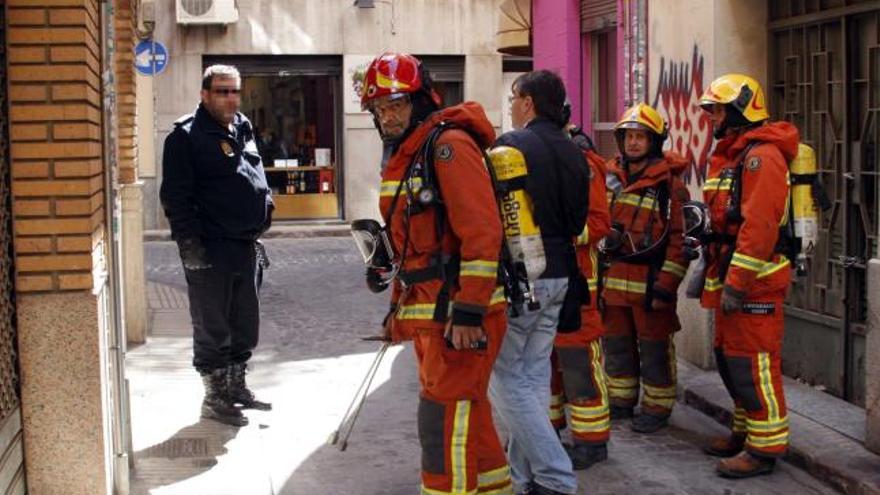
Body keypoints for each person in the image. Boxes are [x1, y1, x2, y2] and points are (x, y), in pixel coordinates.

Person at [362, 52, 513, 495]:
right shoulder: (409, 154)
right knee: (467, 412)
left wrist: (468, 312)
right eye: (379, 108)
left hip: (459, 315)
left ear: (422, 100)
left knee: (444, 420)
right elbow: (408, 249)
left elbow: (482, 234)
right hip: (431, 313)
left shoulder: (448, 146)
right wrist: (395, 310)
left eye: (396, 105)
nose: (387, 117)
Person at [488, 71, 589, 495]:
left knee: (504, 379)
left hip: (522, 275)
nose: (512, 105)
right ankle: (524, 478)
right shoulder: (575, 150)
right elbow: (580, 220)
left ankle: (556, 477)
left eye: (514, 97)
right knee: (529, 379)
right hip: (562, 272)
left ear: (527, 102)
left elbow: (493, 216)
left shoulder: (512, 146)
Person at [160, 64, 274, 427]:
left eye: (234, 91)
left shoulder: (242, 126)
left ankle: (237, 386)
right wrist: (189, 247)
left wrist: (265, 205)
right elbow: (176, 197)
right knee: (212, 325)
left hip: (244, 244)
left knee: (245, 322)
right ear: (204, 94)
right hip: (210, 248)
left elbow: (254, 176)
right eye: (222, 91)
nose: (230, 98)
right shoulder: (185, 136)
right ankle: (214, 396)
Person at [698, 73, 798, 478]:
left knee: (754, 363)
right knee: (730, 358)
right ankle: (744, 429)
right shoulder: (735, 155)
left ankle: (765, 447)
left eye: (718, 110)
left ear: (740, 110)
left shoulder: (762, 157)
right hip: (731, 273)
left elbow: (758, 228)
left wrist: (737, 283)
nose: (712, 118)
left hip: (755, 279)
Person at [600, 103, 691, 434]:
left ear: (655, 141)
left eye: (641, 137)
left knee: (654, 349)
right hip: (613, 282)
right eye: (629, 137)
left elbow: (680, 241)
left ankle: (656, 406)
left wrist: (667, 284)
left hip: (650, 282)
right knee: (616, 345)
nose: (634, 143)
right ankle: (621, 400)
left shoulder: (670, 187)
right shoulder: (609, 180)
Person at [548, 109, 613, 471]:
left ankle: (591, 442)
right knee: (545, 366)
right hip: (544, 283)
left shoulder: (583, 163)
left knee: (579, 367)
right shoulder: (534, 157)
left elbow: (599, 223)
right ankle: (547, 432)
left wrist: (559, 233)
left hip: (578, 286)